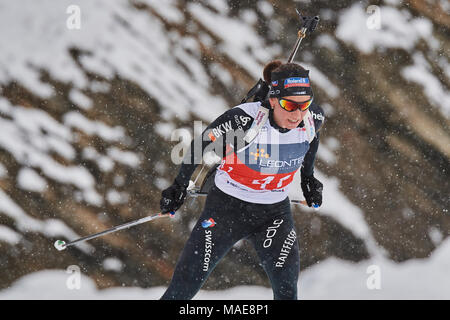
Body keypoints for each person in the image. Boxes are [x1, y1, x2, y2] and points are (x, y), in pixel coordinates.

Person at [159, 60, 325, 300]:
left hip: (274, 215)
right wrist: (179, 186)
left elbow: (312, 139)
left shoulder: (312, 119)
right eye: (290, 106)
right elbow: (200, 145)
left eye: (304, 105)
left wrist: (308, 178)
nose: (298, 114)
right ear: (273, 100)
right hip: (227, 209)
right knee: (182, 290)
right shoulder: (244, 120)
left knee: (288, 293)